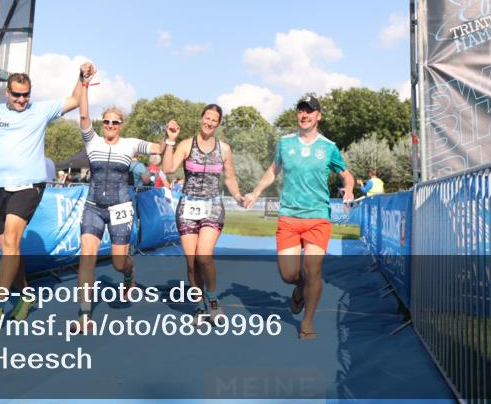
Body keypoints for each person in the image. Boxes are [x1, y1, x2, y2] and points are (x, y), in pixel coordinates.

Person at [0, 55, 95, 327]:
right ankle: (25, 295)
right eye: (17, 95)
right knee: (7, 247)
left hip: (29, 185)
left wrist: (82, 79)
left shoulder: (40, 110)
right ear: (7, 92)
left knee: (12, 241)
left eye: (26, 95)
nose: (22, 100)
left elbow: (73, 100)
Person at [244, 95, 354, 340]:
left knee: (313, 270)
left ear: (318, 116)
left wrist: (348, 189)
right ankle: (298, 291)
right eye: (301, 111)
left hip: (317, 218)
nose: (304, 115)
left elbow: (347, 174)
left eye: (310, 111)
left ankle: (307, 322)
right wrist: (255, 191)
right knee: (289, 275)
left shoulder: (329, 147)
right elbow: (273, 171)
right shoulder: (285, 143)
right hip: (289, 218)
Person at [72, 83, 165, 334]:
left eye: (115, 122)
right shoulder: (92, 141)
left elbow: (158, 149)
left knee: (118, 262)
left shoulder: (131, 144)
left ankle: (129, 273)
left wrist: (168, 138)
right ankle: (84, 314)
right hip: (93, 206)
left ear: (121, 125)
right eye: (106, 122)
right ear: (102, 124)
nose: (110, 126)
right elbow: (82, 116)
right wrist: (84, 85)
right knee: (87, 256)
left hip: (120, 207)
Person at [162, 105, 244, 324]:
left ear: (218, 124)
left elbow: (230, 178)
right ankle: (199, 306)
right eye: (207, 118)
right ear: (201, 119)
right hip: (188, 206)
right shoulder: (186, 145)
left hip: (213, 207)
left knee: (204, 256)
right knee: (191, 263)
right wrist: (170, 140)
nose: (209, 123)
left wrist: (237, 195)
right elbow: (168, 168)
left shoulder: (224, 149)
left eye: (214, 120)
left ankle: (213, 299)